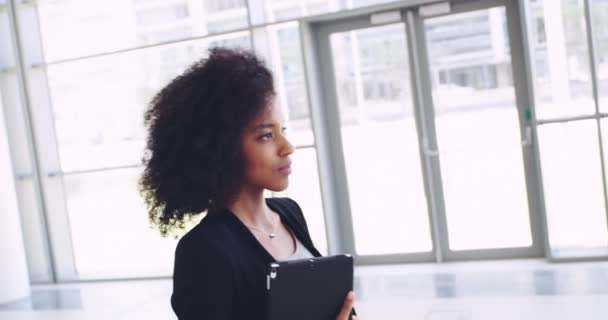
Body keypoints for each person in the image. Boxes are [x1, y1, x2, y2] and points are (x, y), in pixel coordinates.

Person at [139, 47, 357, 319]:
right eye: (266, 136)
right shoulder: (203, 250)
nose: (287, 147)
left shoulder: (289, 212)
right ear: (221, 148)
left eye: (283, 130)